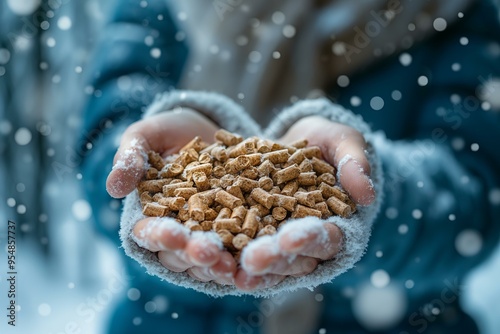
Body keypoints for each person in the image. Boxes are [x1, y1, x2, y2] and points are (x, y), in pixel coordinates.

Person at [81, 0, 500, 333]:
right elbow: (103, 139)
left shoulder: (455, 11)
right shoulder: (160, 5)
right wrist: (138, 170)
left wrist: (376, 192)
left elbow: (475, 200)